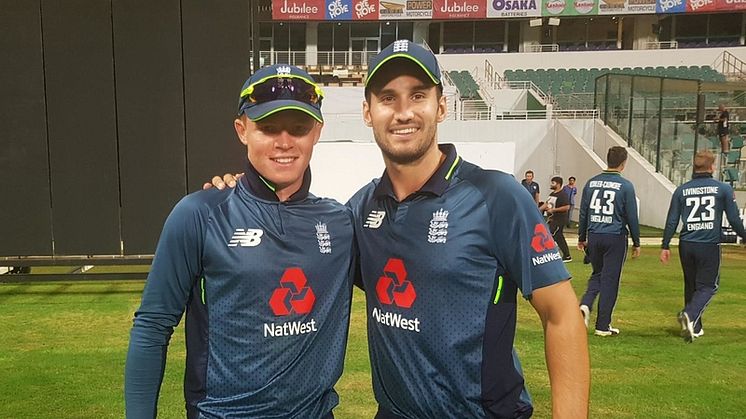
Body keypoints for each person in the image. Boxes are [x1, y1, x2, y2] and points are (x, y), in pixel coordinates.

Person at [211, 41, 590, 418]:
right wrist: (241, 196)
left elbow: (561, 314)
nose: (403, 112)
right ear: (368, 112)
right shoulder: (359, 210)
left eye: (418, 95)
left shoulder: (496, 197)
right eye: (388, 98)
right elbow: (290, 255)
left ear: (441, 106)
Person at [125, 64, 355, 419]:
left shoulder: (341, 222)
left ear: (317, 132)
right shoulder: (199, 214)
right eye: (267, 127)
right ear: (242, 130)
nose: (284, 142)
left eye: (298, 128)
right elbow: (152, 327)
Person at [660, 150, 746, 343]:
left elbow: (672, 219)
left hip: (686, 243)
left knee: (691, 285)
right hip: (708, 243)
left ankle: (695, 327)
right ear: (712, 167)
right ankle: (689, 314)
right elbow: (733, 218)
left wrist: (665, 245)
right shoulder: (722, 189)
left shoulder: (682, 190)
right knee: (708, 286)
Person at [577, 146, 641, 337]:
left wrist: (582, 237)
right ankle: (603, 325)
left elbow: (583, 212)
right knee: (610, 280)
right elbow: (631, 216)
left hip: (594, 234)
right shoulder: (626, 186)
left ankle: (585, 304)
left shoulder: (591, 183)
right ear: (624, 163)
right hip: (615, 236)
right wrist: (637, 242)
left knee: (597, 274)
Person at [540, 176, 572, 262]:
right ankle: (566, 255)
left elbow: (567, 207)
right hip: (552, 219)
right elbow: (547, 204)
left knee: (554, 235)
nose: (551, 184)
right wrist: (538, 209)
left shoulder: (563, 195)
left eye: (553, 183)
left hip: (559, 219)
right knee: (558, 236)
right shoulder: (552, 194)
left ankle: (563, 255)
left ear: (558, 184)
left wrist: (554, 210)